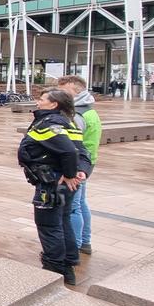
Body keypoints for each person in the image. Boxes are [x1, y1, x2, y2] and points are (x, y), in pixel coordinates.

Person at [17, 88, 91, 285]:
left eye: (42, 99)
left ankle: (54, 267)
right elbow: (82, 152)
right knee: (63, 220)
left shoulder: (50, 123)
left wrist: (69, 174)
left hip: (51, 183)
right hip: (62, 183)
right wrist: (81, 171)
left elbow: (69, 152)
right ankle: (69, 263)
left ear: (54, 104)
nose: (38, 101)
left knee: (49, 225)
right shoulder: (69, 122)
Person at [57, 75, 101, 256]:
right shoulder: (89, 110)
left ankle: (73, 246)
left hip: (76, 165)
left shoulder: (78, 115)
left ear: (76, 91)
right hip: (86, 162)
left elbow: (71, 143)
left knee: (73, 206)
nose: (58, 94)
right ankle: (85, 241)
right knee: (81, 203)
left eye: (63, 90)